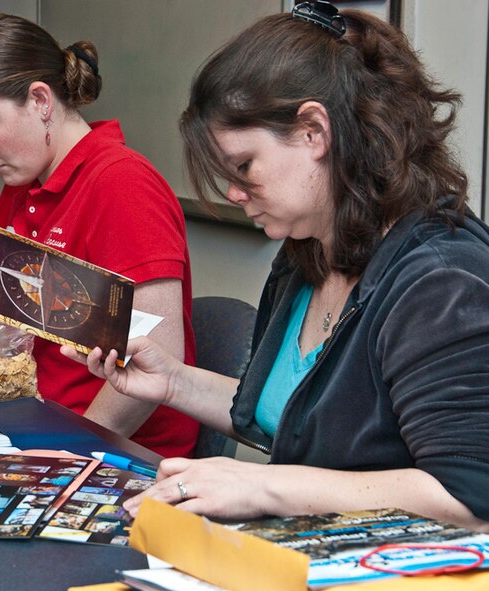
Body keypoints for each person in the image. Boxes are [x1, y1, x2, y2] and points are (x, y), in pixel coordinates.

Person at [65, 2, 489, 530]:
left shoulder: (442, 280)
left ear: (314, 130)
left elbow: (468, 494)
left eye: (244, 166)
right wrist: (173, 383)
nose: (234, 192)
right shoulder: (305, 255)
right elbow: (293, 416)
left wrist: (262, 483)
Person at [0, 14, 198, 458]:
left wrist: (68, 453)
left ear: (40, 100)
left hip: (115, 448)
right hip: (39, 421)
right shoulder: (20, 185)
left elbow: (160, 361)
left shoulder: (122, 184)